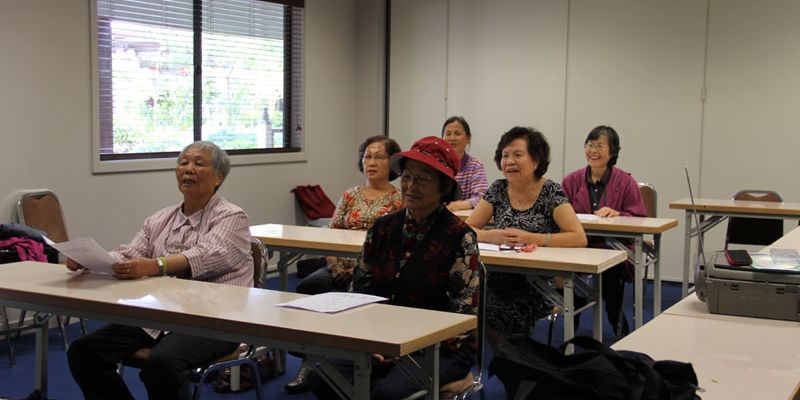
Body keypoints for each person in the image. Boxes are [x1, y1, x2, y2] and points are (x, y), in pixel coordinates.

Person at [66, 141, 254, 400]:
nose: (188, 169)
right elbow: (131, 253)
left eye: (199, 164)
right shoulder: (160, 218)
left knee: (161, 364)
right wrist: (91, 260)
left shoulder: (232, 216)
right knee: (84, 352)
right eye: (183, 163)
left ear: (218, 178)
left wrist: (157, 265)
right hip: (161, 315)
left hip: (215, 319)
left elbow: (210, 254)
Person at [312, 136, 481, 399]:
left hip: (440, 346)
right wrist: (369, 339)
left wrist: (406, 346)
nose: (411, 186)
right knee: (323, 377)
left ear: (444, 187)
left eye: (422, 179)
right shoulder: (383, 227)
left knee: (387, 394)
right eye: (407, 177)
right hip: (381, 336)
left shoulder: (459, 236)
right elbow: (361, 288)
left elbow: (462, 315)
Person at [285, 135, 404, 394]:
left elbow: (394, 246)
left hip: (372, 271)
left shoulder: (398, 200)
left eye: (379, 157)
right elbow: (332, 233)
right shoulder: (350, 195)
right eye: (367, 156)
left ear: (392, 163)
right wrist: (335, 266)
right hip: (338, 266)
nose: (371, 162)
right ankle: (309, 361)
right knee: (308, 287)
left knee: (359, 297)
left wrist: (357, 270)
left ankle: (347, 361)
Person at [466, 126, 587, 340]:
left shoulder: (550, 191)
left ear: (536, 161)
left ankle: (510, 354)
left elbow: (578, 237)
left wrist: (532, 238)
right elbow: (467, 229)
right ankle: (502, 354)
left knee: (493, 310)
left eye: (518, 155)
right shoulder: (497, 189)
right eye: (505, 155)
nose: (509, 161)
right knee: (464, 301)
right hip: (496, 276)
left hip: (537, 282)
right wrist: (487, 235)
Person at [562, 125, 647, 337]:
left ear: (612, 152)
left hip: (613, 248)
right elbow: (558, 213)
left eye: (600, 146)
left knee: (611, 281)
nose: (593, 151)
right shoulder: (571, 180)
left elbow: (639, 218)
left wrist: (619, 214)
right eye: (590, 145)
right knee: (567, 277)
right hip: (580, 245)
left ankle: (619, 327)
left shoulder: (626, 182)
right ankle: (570, 331)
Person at [441, 116, 488, 212]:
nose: (452, 138)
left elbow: (482, 198)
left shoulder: (475, 165)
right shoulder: (437, 165)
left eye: (457, 133)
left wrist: (460, 205)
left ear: (468, 138)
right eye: (448, 134)